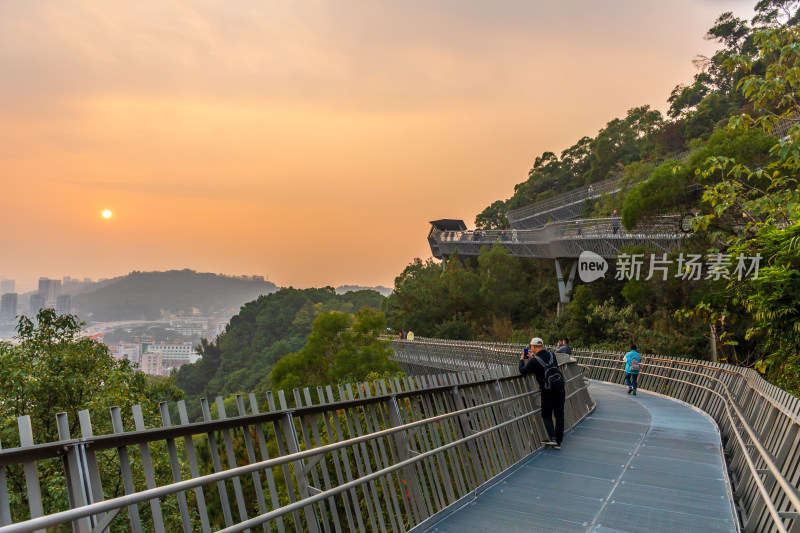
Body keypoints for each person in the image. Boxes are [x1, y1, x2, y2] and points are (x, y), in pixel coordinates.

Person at [519, 337, 566, 449]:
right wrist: (533, 359)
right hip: (560, 387)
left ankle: (552, 438)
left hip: (548, 391)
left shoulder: (534, 361)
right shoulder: (551, 354)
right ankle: (558, 441)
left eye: (531, 346)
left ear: (533, 347)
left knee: (546, 414)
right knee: (559, 415)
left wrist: (522, 360)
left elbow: (523, 370)